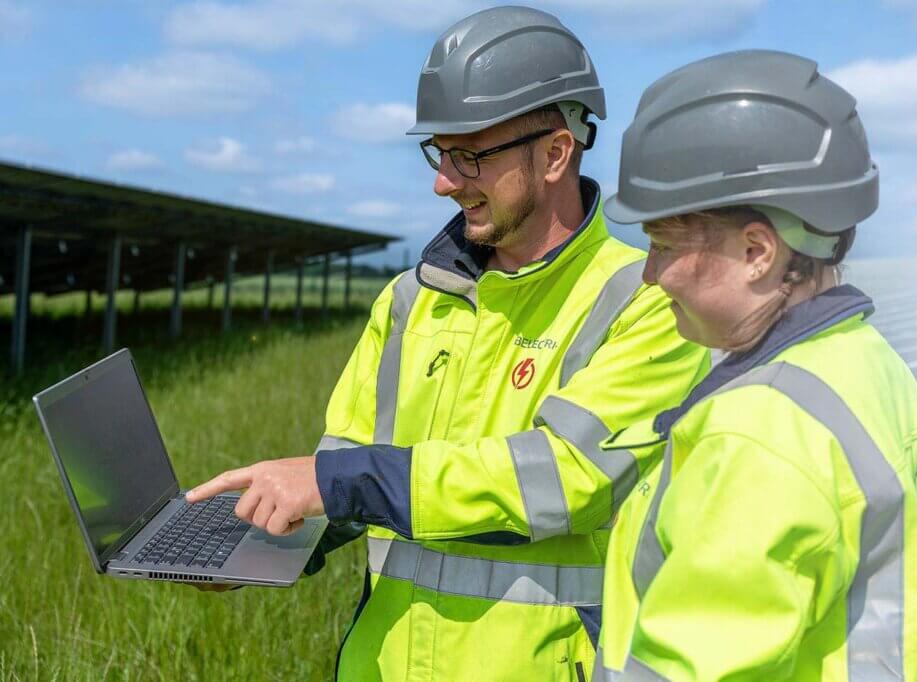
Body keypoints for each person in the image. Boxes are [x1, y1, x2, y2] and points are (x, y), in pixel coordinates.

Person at [187, 6, 709, 680]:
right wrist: (260, 549)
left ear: (555, 153)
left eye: (469, 155)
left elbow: (564, 478)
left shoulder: (644, 302)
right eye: (438, 152)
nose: (442, 181)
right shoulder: (409, 300)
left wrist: (337, 482)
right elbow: (345, 465)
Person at [592, 50, 917, 681]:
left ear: (757, 251)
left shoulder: (756, 432)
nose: (649, 275)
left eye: (660, 245)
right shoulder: (869, 365)